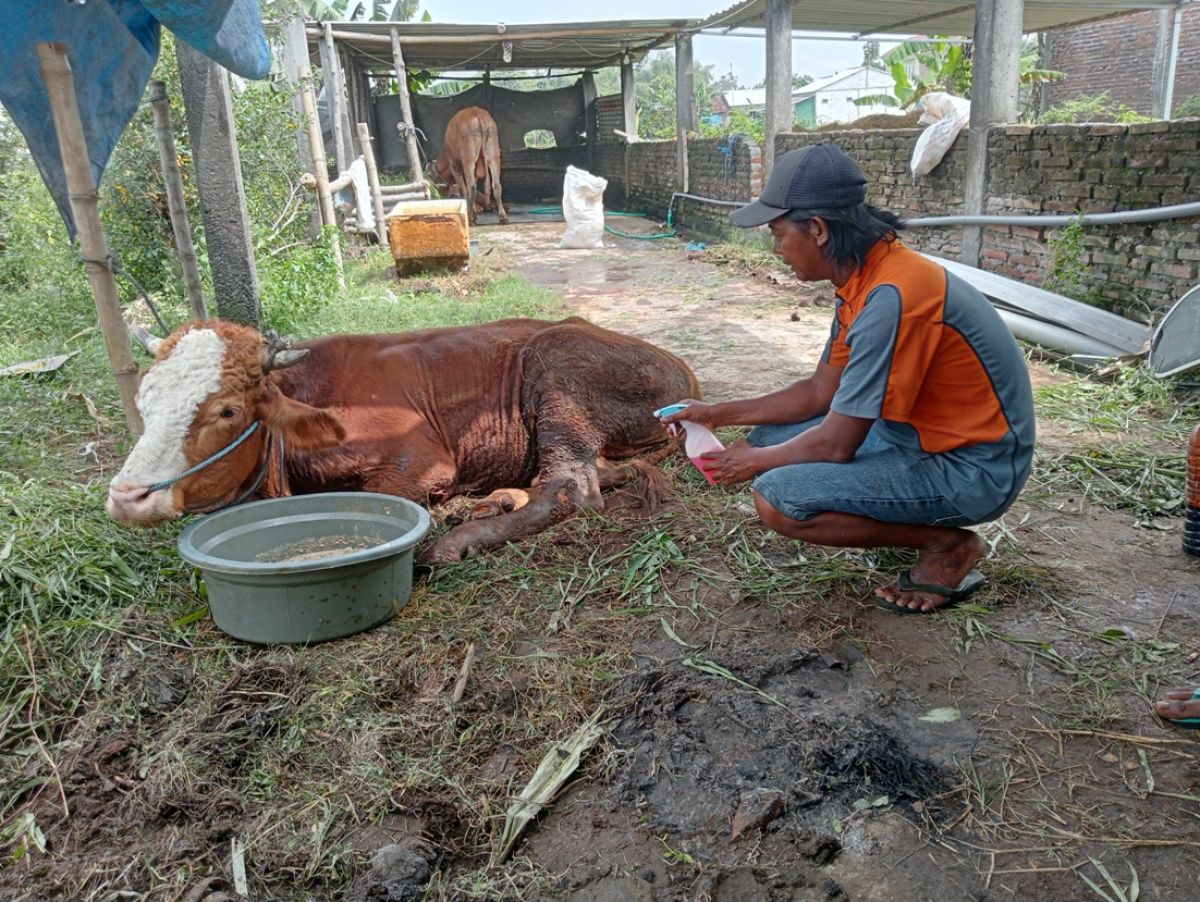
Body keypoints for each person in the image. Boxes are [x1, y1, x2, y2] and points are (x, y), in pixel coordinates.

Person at [662, 143, 1035, 613]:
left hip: (974, 469)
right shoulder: (866, 279)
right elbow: (820, 392)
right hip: (919, 437)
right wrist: (715, 414)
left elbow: (836, 445)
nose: (777, 251)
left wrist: (752, 464)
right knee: (769, 438)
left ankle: (948, 545)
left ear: (816, 229)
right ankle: (908, 523)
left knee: (778, 498)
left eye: (778, 235)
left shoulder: (893, 296)